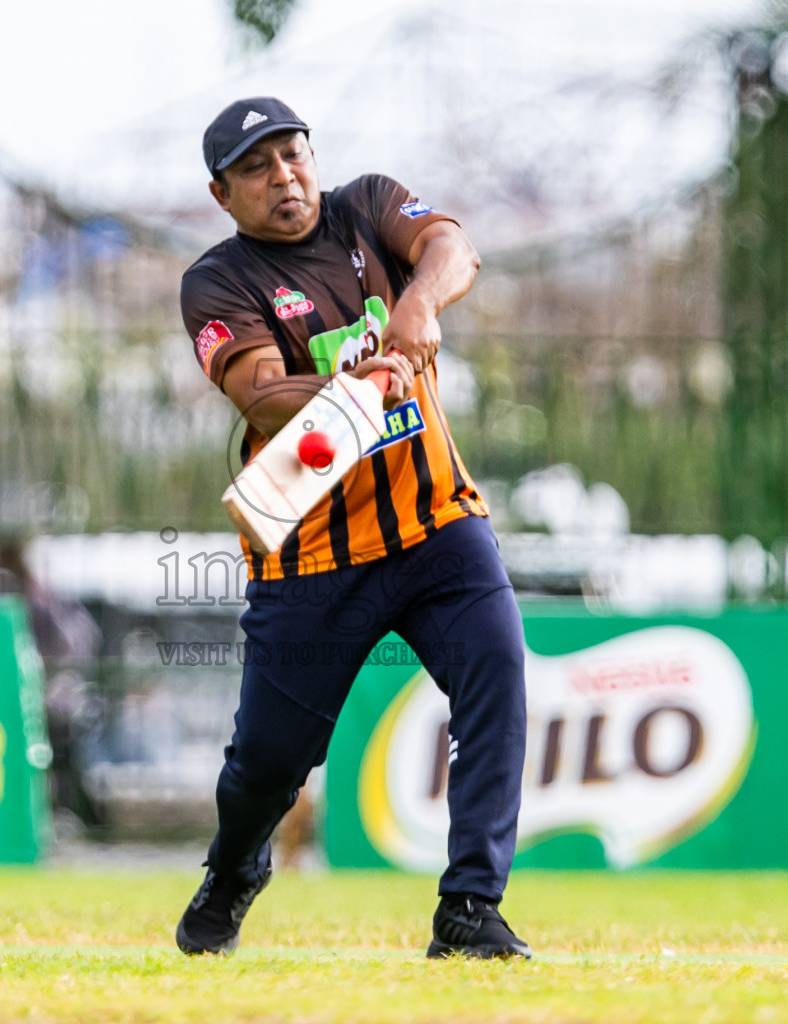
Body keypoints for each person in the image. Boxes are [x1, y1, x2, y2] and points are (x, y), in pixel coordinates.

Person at [176, 97, 531, 959]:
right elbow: (258, 390)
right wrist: (360, 379)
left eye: (292, 155)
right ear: (224, 194)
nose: (283, 178)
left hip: (435, 523)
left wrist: (415, 307)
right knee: (266, 765)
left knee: (498, 677)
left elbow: (454, 249)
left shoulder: (365, 207)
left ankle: (469, 909)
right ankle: (233, 868)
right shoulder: (217, 281)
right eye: (256, 169)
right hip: (310, 553)